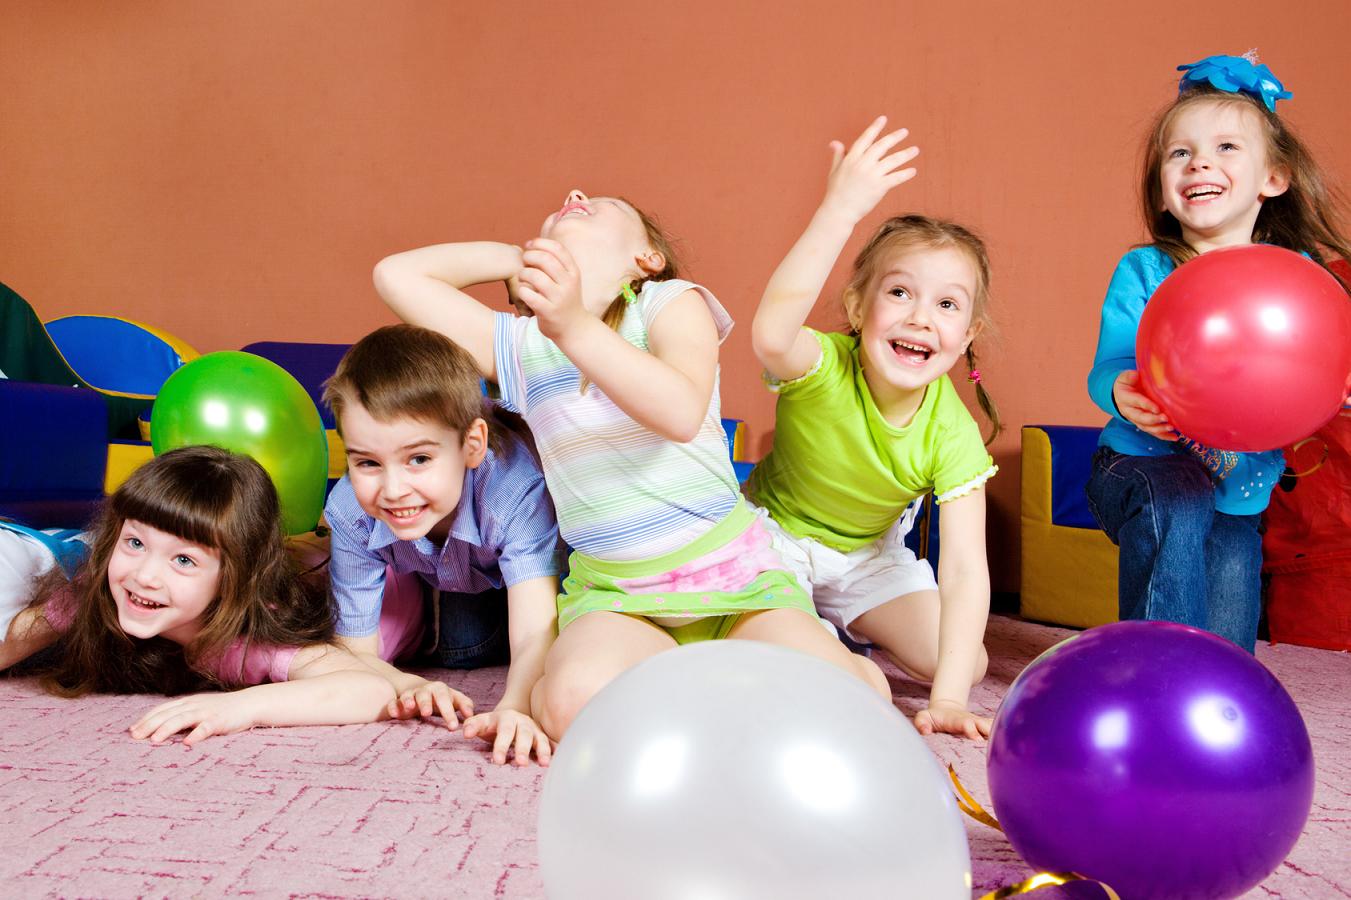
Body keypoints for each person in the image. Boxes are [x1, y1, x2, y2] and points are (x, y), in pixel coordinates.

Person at [373, 188, 888, 740]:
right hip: (619, 600)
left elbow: (680, 410)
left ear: (646, 259)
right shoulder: (523, 346)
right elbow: (396, 276)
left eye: (600, 202)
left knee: (844, 707)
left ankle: (841, 669)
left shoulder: (667, 303)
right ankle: (699, 683)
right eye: (557, 212)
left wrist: (573, 322)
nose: (572, 194)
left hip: (739, 586)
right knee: (570, 704)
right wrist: (518, 256)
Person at [1086, 53, 1351, 653]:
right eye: (1180, 153)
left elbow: (1321, 366)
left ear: (1273, 178)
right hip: (1139, 468)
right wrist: (1121, 391)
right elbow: (1107, 368)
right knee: (1180, 502)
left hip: (1241, 491)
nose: (1200, 161)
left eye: (1227, 148)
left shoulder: (1300, 281)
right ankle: (1153, 671)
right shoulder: (1148, 269)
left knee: (1230, 647)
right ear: (1162, 186)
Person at [746, 117, 1001, 740]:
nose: (921, 318)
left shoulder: (952, 430)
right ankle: (809, 625)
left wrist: (946, 698)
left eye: (946, 305)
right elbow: (770, 333)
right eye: (900, 293)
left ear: (966, 335)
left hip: (868, 559)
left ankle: (837, 620)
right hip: (776, 541)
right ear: (858, 309)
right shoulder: (822, 366)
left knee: (968, 662)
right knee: (760, 637)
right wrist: (840, 209)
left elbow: (966, 566)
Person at [0, 446, 400, 747]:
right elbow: (15, 639)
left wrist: (239, 708)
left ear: (233, 580)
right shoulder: (95, 591)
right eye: (135, 542)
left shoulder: (252, 643)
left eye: (183, 560)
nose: (144, 575)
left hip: (401, 586)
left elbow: (370, 689)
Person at [321, 324, 563, 766]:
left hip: (555, 560)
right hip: (465, 571)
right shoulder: (349, 509)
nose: (393, 490)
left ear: (471, 447)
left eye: (419, 459)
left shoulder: (513, 490)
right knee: (460, 649)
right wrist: (404, 685)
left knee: (553, 652)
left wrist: (515, 706)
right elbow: (354, 651)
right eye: (368, 463)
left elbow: (533, 630)